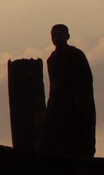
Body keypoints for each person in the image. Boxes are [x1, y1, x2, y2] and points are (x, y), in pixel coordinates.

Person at [40, 23, 95, 157]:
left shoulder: (76, 55)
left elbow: (86, 80)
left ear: (67, 36)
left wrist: (81, 101)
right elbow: (54, 86)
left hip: (76, 102)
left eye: (60, 34)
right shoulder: (52, 59)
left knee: (78, 135)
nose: (56, 38)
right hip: (58, 102)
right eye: (54, 35)